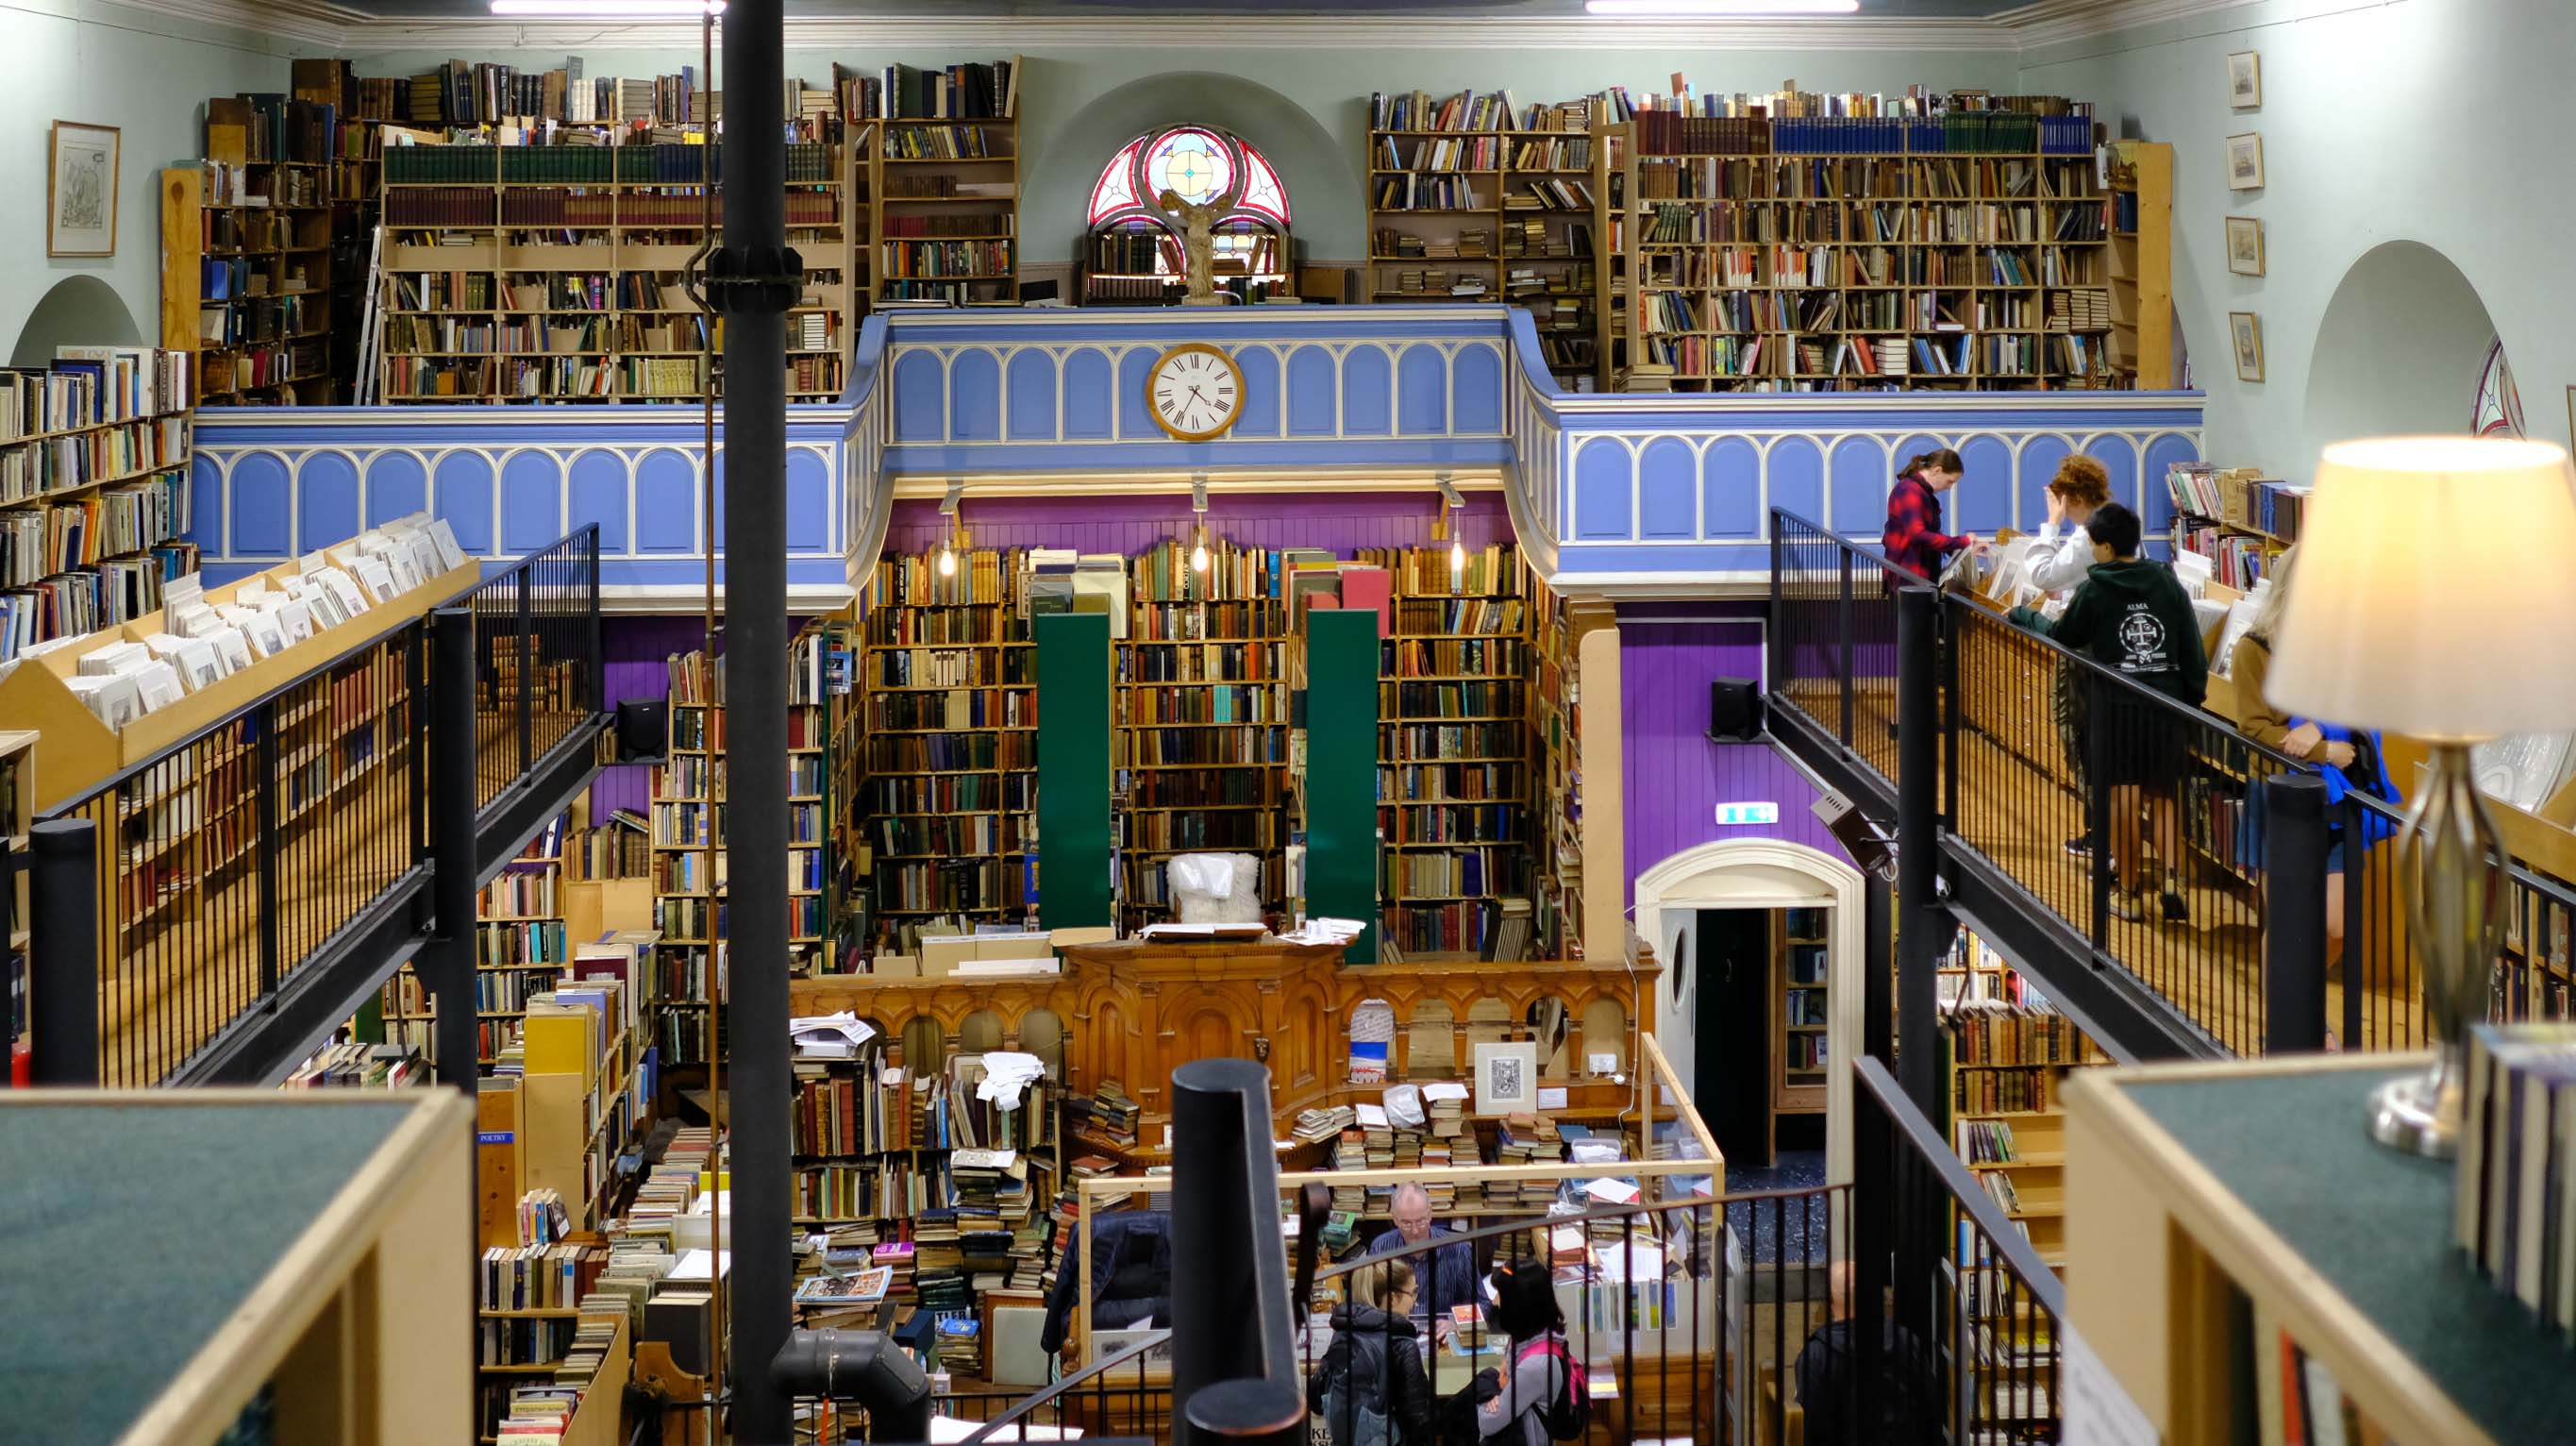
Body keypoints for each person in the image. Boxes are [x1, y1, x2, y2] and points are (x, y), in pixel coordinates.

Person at [2008, 501, 2208, 924]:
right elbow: (2192, 648)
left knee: (2122, 798)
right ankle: (2173, 881)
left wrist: (2026, 616)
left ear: (2102, 546)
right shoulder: (2169, 584)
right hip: (2166, 704)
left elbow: (2066, 636)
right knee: (2164, 796)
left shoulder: (2095, 589)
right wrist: (2190, 702)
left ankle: (2130, 892)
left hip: (2117, 706)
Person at [2229, 546, 2399, 980]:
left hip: (2337, 801)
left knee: (2337, 927)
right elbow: (2253, 729)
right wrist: (2324, 751)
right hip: (2281, 795)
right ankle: (2289, 1034)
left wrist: (2319, 728)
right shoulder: (2255, 650)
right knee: (2289, 925)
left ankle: (2302, 1010)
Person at [2028, 455, 2116, 858]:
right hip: (2110, 652)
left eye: (2064, 500)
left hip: (2085, 656)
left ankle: (2102, 834)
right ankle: (2104, 831)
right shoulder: (2117, 523)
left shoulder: (2086, 535)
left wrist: (2051, 523)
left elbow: (2043, 575)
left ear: (2075, 496)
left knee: (2075, 733)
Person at [1792, 1261, 1932, 1444]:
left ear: (1830, 1301)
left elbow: (1810, 1430)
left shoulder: (1816, 1356)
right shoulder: (1907, 1341)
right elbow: (1930, 1409)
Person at [1450, 1256, 1574, 1446]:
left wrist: (1488, 1398)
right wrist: (1496, 1395)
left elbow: (1488, 1423)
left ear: (1519, 1304)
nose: (1494, 1302)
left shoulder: (1537, 1365)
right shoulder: (1532, 1336)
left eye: (1500, 1294)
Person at [1310, 1259, 1436, 1446]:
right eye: (1412, 1293)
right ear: (1393, 1298)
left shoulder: (1343, 1333)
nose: (1414, 1302)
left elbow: (1315, 1399)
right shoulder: (1403, 1345)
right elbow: (1417, 1420)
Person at [1363, 1184, 1476, 1346]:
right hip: (1395, 1340)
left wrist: (1455, 1323)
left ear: (1430, 1214)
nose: (1415, 1231)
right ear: (1394, 1218)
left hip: (1443, 1341)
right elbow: (1368, 1304)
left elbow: (1482, 1305)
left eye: (1421, 1221)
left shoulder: (1458, 1249)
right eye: (1407, 1223)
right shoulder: (1381, 1248)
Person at [1882, 447, 1982, 582]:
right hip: (1909, 575)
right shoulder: (1910, 491)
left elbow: (1929, 534)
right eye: (1950, 481)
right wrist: (1963, 541)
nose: (1950, 487)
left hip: (1915, 574)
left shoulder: (1919, 491)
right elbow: (1919, 535)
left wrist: (1964, 548)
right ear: (1937, 470)